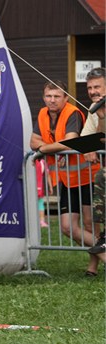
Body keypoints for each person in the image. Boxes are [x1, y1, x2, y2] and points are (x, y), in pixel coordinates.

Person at [30, 80, 101, 276]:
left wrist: (44, 149)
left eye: (56, 96)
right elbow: (32, 141)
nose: (52, 100)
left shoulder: (73, 113)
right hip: (66, 179)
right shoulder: (43, 114)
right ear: (44, 97)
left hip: (88, 175)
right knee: (68, 227)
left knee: (90, 224)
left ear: (65, 98)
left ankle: (92, 268)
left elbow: (70, 142)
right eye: (48, 96)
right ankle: (103, 254)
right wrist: (53, 147)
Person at [81, 67, 105, 253]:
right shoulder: (94, 108)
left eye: (97, 86)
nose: (92, 91)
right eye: (89, 88)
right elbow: (87, 139)